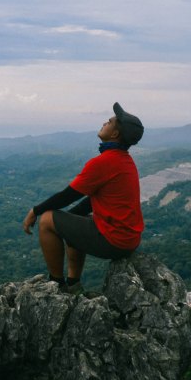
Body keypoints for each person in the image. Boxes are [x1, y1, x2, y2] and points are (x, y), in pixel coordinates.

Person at [22, 102, 144, 293]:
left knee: (46, 220)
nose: (105, 121)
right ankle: (73, 283)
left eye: (110, 121)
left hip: (113, 240)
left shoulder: (104, 162)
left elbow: (68, 195)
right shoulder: (124, 160)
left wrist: (36, 211)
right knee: (74, 221)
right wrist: (67, 221)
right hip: (127, 239)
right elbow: (91, 201)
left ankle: (57, 283)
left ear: (115, 134)